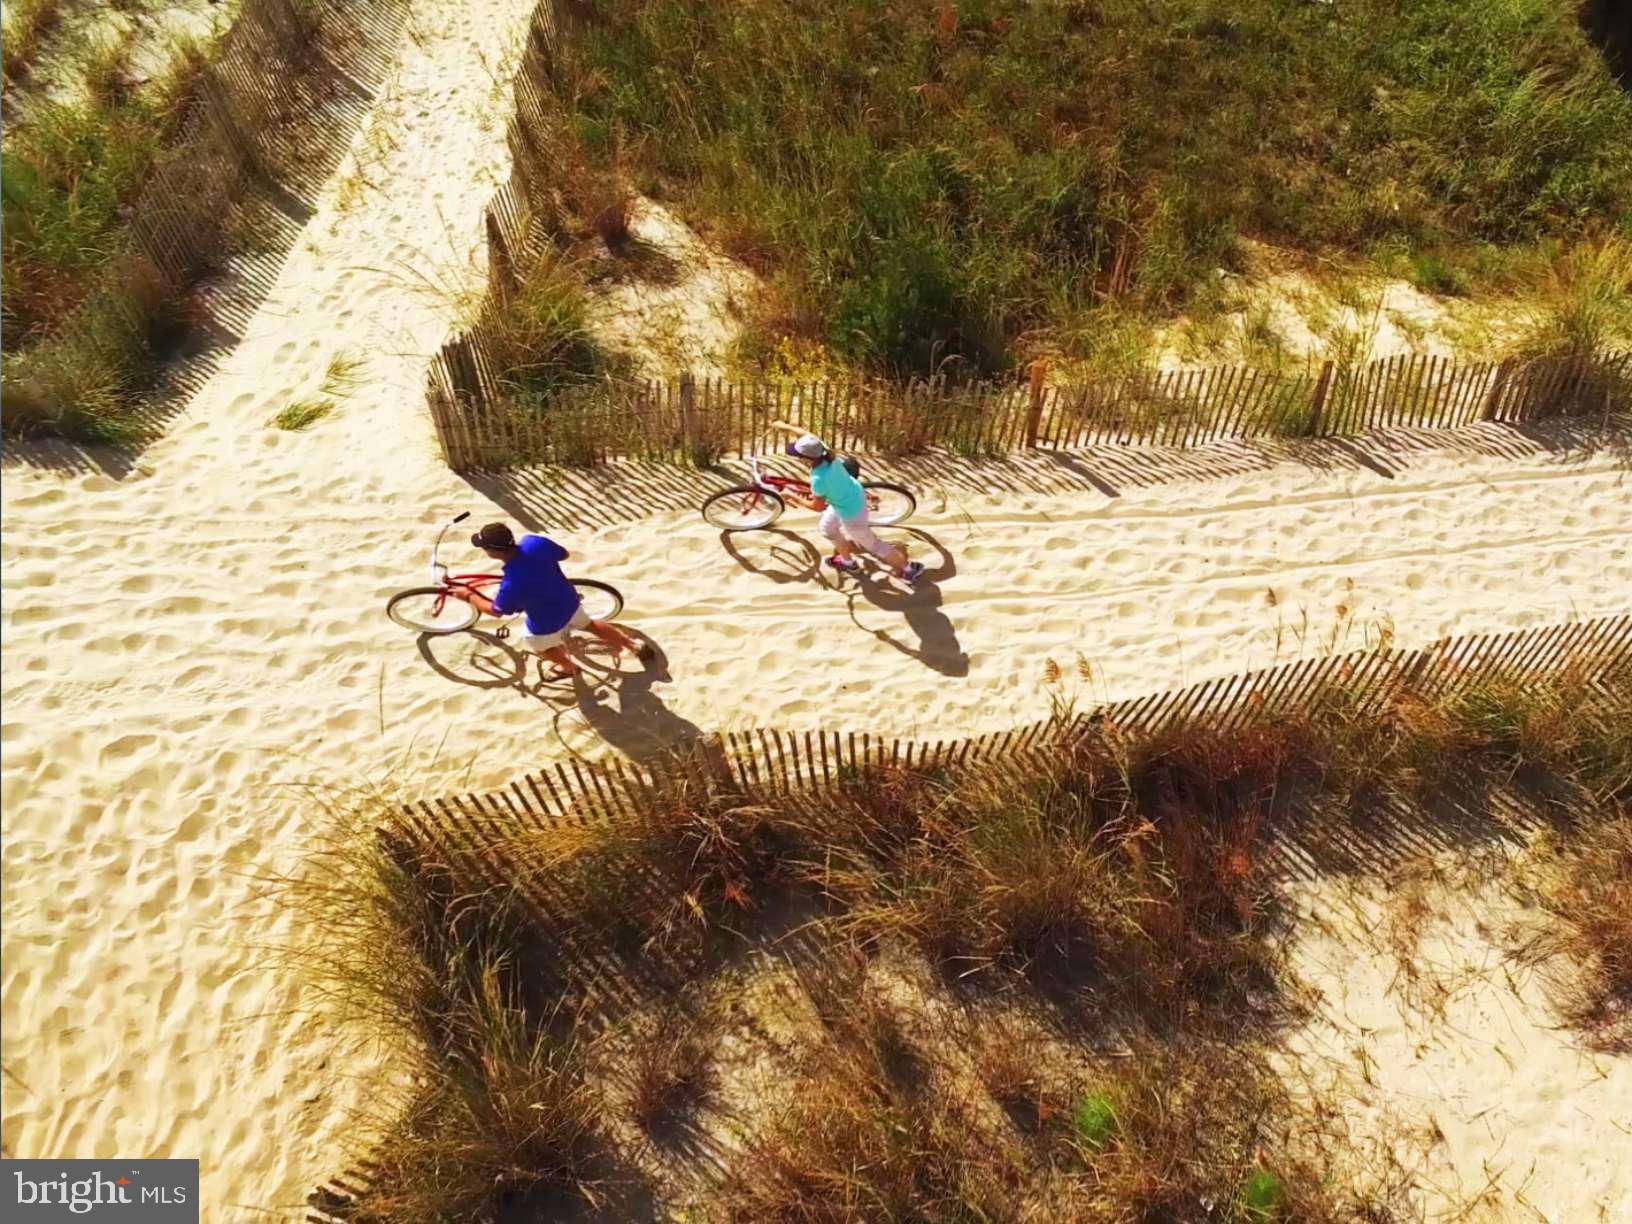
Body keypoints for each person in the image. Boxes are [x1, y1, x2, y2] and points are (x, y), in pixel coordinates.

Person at [452, 522, 647, 681]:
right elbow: (565, 554)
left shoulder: (511, 582)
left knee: (540, 646)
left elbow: (496, 610)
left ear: (492, 551)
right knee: (590, 625)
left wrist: (469, 596)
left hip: (546, 623)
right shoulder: (534, 542)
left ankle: (569, 668)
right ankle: (633, 645)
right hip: (569, 600)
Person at [772, 423, 923, 583]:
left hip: (851, 513)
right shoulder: (824, 451)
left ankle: (909, 569)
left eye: (797, 454)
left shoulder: (819, 479)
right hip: (849, 496)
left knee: (874, 545)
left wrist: (791, 496)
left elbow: (817, 507)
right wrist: (783, 425)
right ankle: (848, 562)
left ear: (806, 458)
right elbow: (805, 433)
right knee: (827, 529)